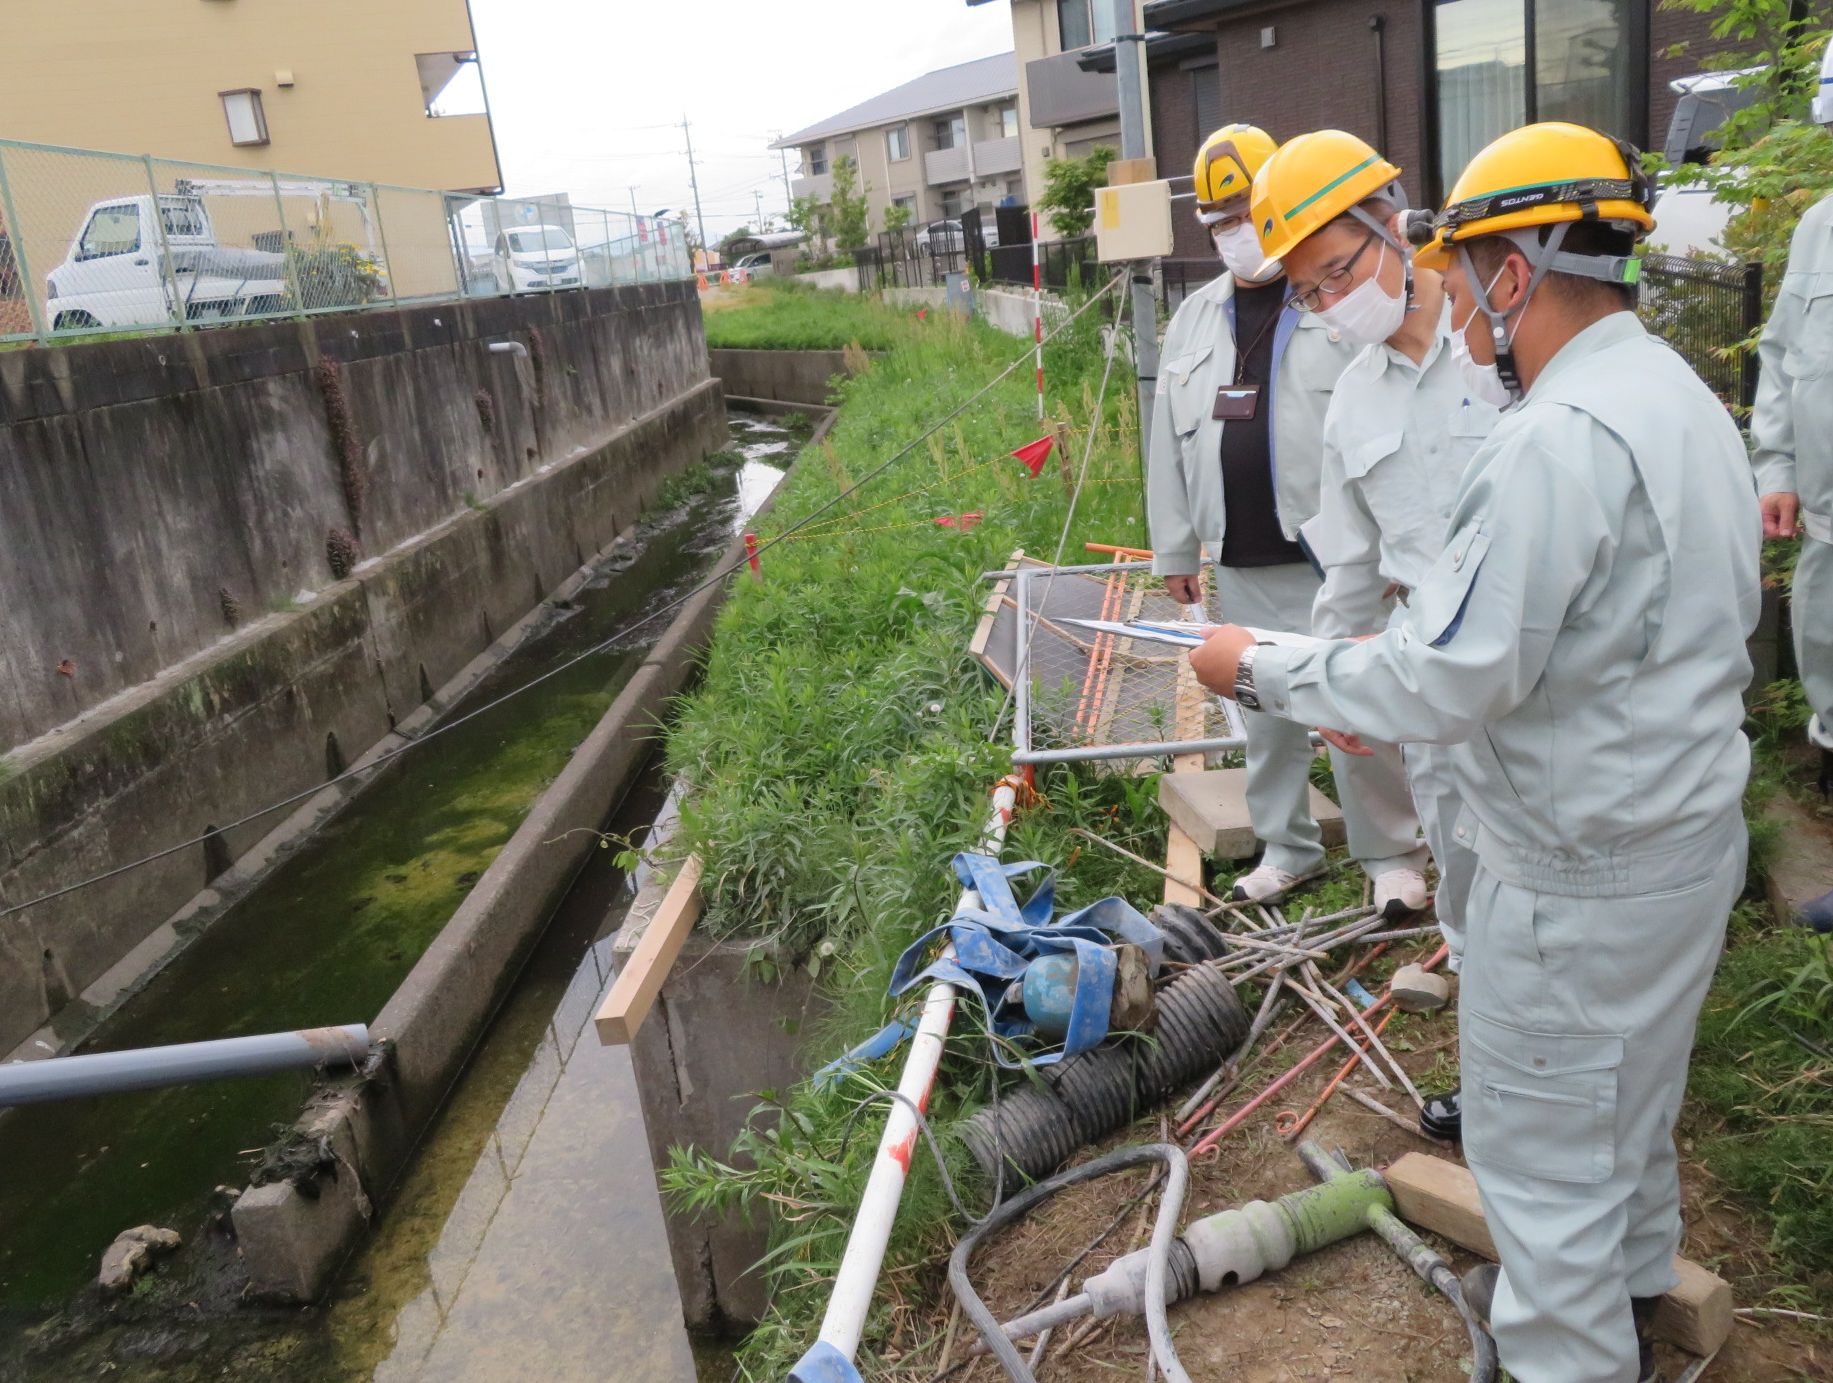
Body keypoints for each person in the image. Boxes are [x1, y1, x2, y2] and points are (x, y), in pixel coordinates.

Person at [1192, 122, 1761, 1383]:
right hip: (1670, 835)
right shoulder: (1677, 398)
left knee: (1546, 1165)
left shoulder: (1554, 438)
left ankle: (1570, 1348)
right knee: (1626, 1117)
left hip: (1577, 872)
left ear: (1510, 271)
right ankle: (1626, 1292)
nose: (1449, 300)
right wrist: (1360, 679)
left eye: (1467, 268)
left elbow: (1451, 667)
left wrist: (1263, 668)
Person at [1148, 123, 1426, 913]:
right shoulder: (1195, 317)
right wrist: (1175, 542)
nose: (1234, 231)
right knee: (1258, 705)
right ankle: (1285, 844)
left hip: (1336, 551)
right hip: (1239, 549)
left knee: (1354, 696)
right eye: (1218, 220)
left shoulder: (1336, 300)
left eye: (1243, 210)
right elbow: (1164, 436)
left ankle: (1391, 854)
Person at [1248, 128, 1502, 978]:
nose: (1329, 299)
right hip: (1433, 675)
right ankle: (1478, 1006)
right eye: (1307, 292)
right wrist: (1328, 682)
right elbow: (1350, 561)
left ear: (1392, 225)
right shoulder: (1351, 399)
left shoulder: (1499, 347)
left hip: (1546, 667)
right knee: (1459, 860)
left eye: (1338, 271)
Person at [1750, 35, 1833, 931]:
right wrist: (1775, 465)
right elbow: (1780, 358)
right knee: (1832, 690)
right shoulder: (1819, 228)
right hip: (1828, 531)